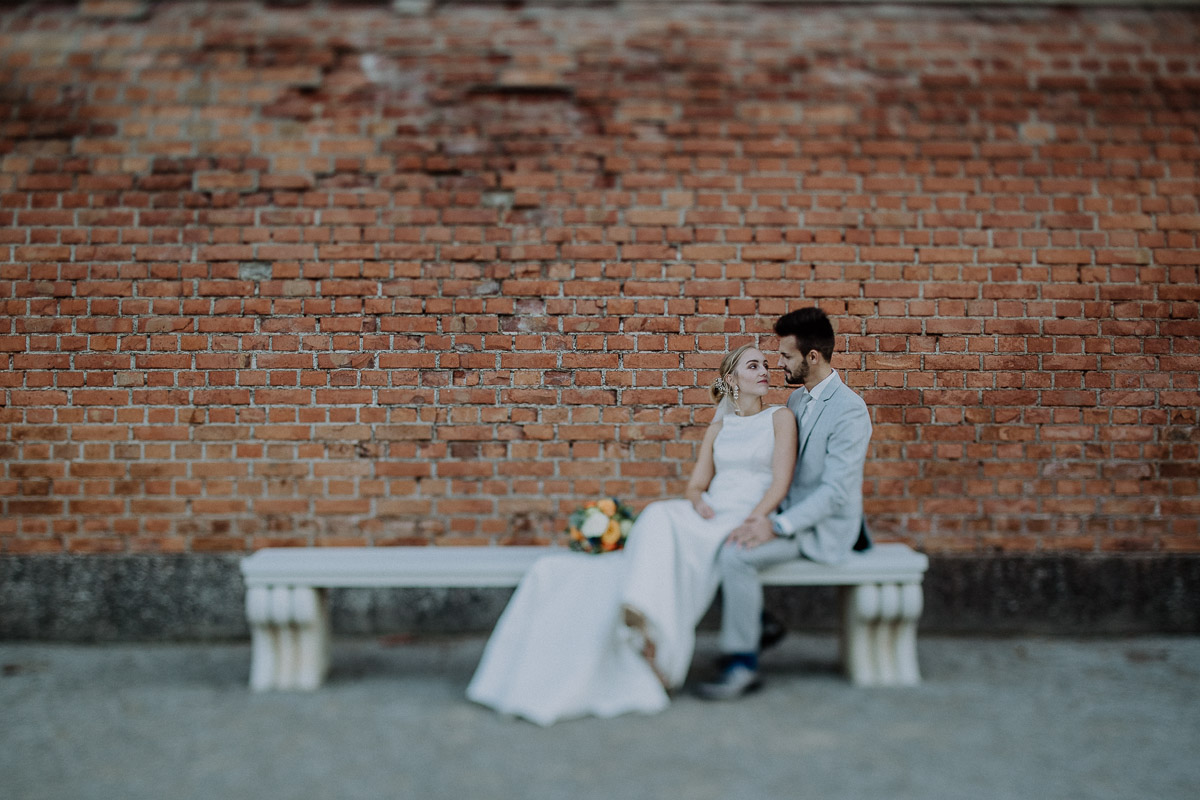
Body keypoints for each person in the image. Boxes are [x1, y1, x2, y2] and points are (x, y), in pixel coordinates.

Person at [467, 344, 797, 725]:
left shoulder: (780, 417)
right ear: (730, 380)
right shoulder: (719, 426)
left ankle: (652, 634)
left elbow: (781, 481)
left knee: (678, 539)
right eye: (752, 365)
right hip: (713, 511)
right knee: (658, 513)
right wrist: (698, 501)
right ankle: (642, 618)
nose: (764, 371)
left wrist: (756, 519)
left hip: (746, 515)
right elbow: (696, 486)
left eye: (766, 365)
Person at [697, 307, 873, 700]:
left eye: (786, 356)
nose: (777, 364)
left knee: (736, 553)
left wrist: (775, 525)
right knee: (716, 537)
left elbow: (836, 492)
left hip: (820, 528)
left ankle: (741, 663)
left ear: (813, 357)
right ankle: (759, 624)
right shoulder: (796, 400)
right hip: (786, 514)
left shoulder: (850, 410)